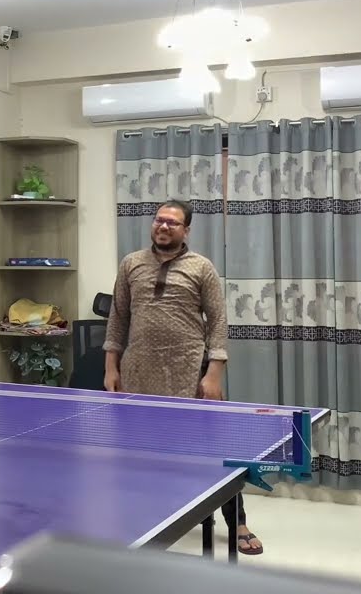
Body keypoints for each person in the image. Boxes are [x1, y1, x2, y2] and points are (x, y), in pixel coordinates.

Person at [101, 199, 262, 555]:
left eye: (173, 222)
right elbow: (118, 319)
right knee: (140, 453)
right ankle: (146, 517)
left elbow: (218, 322)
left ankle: (238, 522)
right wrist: (112, 368)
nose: (163, 226)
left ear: (186, 230)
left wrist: (214, 372)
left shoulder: (201, 267)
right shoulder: (131, 264)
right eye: (159, 220)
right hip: (138, 374)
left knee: (215, 454)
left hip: (189, 374)